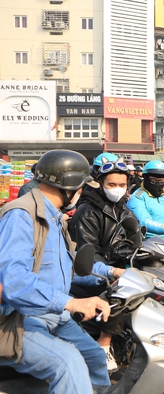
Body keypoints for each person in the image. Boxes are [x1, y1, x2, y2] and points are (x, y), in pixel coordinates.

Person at [0, 149, 111, 394]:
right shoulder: (21, 216)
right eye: (81, 187)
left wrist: (112, 273)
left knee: (94, 356)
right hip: (18, 319)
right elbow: (14, 281)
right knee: (67, 362)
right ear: (69, 187)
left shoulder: (56, 219)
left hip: (53, 316)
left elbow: (71, 267)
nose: (81, 193)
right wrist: (71, 303)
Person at [69, 160, 132, 372]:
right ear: (100, 183)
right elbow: (88, 250)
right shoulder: (89, 210)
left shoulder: (120, 206)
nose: (117, 189)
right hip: (91, 269)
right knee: (120, 292)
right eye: (112, 185)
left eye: (121, 185)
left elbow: (132, 231)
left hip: (113, 263)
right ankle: (104, 344)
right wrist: (110, 268)